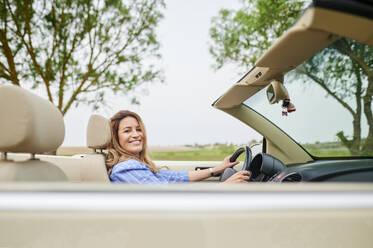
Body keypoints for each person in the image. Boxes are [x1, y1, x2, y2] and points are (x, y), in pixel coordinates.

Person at [106, 110, 251, 184]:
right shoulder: (126, 169)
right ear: (116, 138)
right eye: (127, 131)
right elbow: (169, 199)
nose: (136, 134)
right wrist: (225, 187)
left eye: (138, 129)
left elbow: (175, 177)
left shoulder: (136, 166)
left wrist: (216, 169)